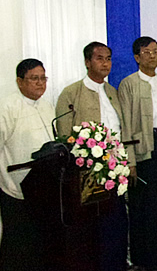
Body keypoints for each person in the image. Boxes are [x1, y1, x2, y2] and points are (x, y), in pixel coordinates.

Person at [56, 41, 128, 271]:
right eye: (99, 58)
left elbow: (122, 129)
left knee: (115, 224)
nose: (105, 63)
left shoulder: (112, 92)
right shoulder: (72, 92)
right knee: (90, 227)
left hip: (114, 170)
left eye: (108, 58)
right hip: (86, 173)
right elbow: (65, 135)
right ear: (87, 62)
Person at [0, 59, 54, 271]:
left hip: (44, 188)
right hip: (16, 189)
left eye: (43, 78)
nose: (40, 83)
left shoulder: (46, 105)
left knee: (41, 243)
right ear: (19, 81)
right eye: (34, 79)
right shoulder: (4, 108)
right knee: (17, 244)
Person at [118, 36, 157, 270]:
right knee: (146, 207)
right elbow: (126, 124)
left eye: (156, 51)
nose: (152, 56)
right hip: (143, 148)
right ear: (136, 57)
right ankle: (146, 260)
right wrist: (130, 161)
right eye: (147, 52)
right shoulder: (129, 83)